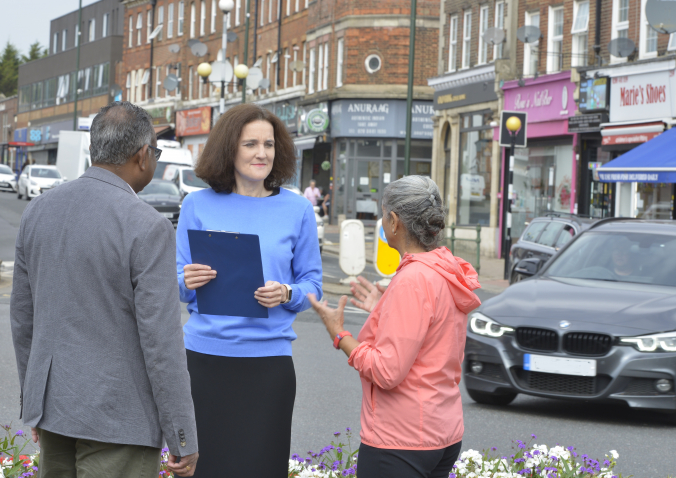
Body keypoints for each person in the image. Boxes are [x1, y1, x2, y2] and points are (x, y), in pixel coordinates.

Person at [10, 101, 199, 478]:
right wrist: (183, 436)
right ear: (143, 155)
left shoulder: (39, 210)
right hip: (119, 418)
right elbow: (161, 343)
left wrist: (34, 402)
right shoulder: (148, 226)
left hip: (54, 409)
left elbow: (23, 319)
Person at [176, 104, 323, 478]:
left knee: (261, 468)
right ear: (229, 148)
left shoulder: (298, 209)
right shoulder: (196, 204)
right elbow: (177, 284)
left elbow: (313, 285)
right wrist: (186, 280)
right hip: (204, 361)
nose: (262, 153)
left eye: (269, 144)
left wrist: (286, 293)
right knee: (205, 469)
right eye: (251, 144)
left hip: (267, 365)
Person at [309, 175, 481, 478]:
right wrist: (384, 309)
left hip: (401, 439)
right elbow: (432, 337)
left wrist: (339, 334)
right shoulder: (444, 269)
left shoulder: (413, 280)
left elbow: (386, 371)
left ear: (393, 221)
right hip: (442, 431)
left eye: (382, 215)